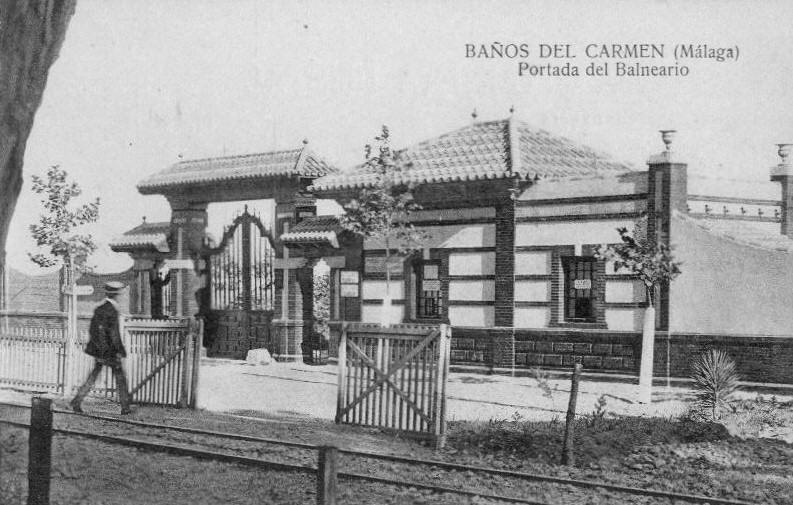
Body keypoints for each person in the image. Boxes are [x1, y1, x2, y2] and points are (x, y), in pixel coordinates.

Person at [70, 281, 132, 415]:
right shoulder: (112, 310)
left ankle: (77, 400)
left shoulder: (99, 309)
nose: (121, 297)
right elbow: (113, 334)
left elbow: (94, 331)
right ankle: (125, 407)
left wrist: (99, 350)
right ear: (116, 295)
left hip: (101, 352)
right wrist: (119, 351)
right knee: (120, 378)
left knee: (93, 377)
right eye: (120, 294)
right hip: (110, 353)